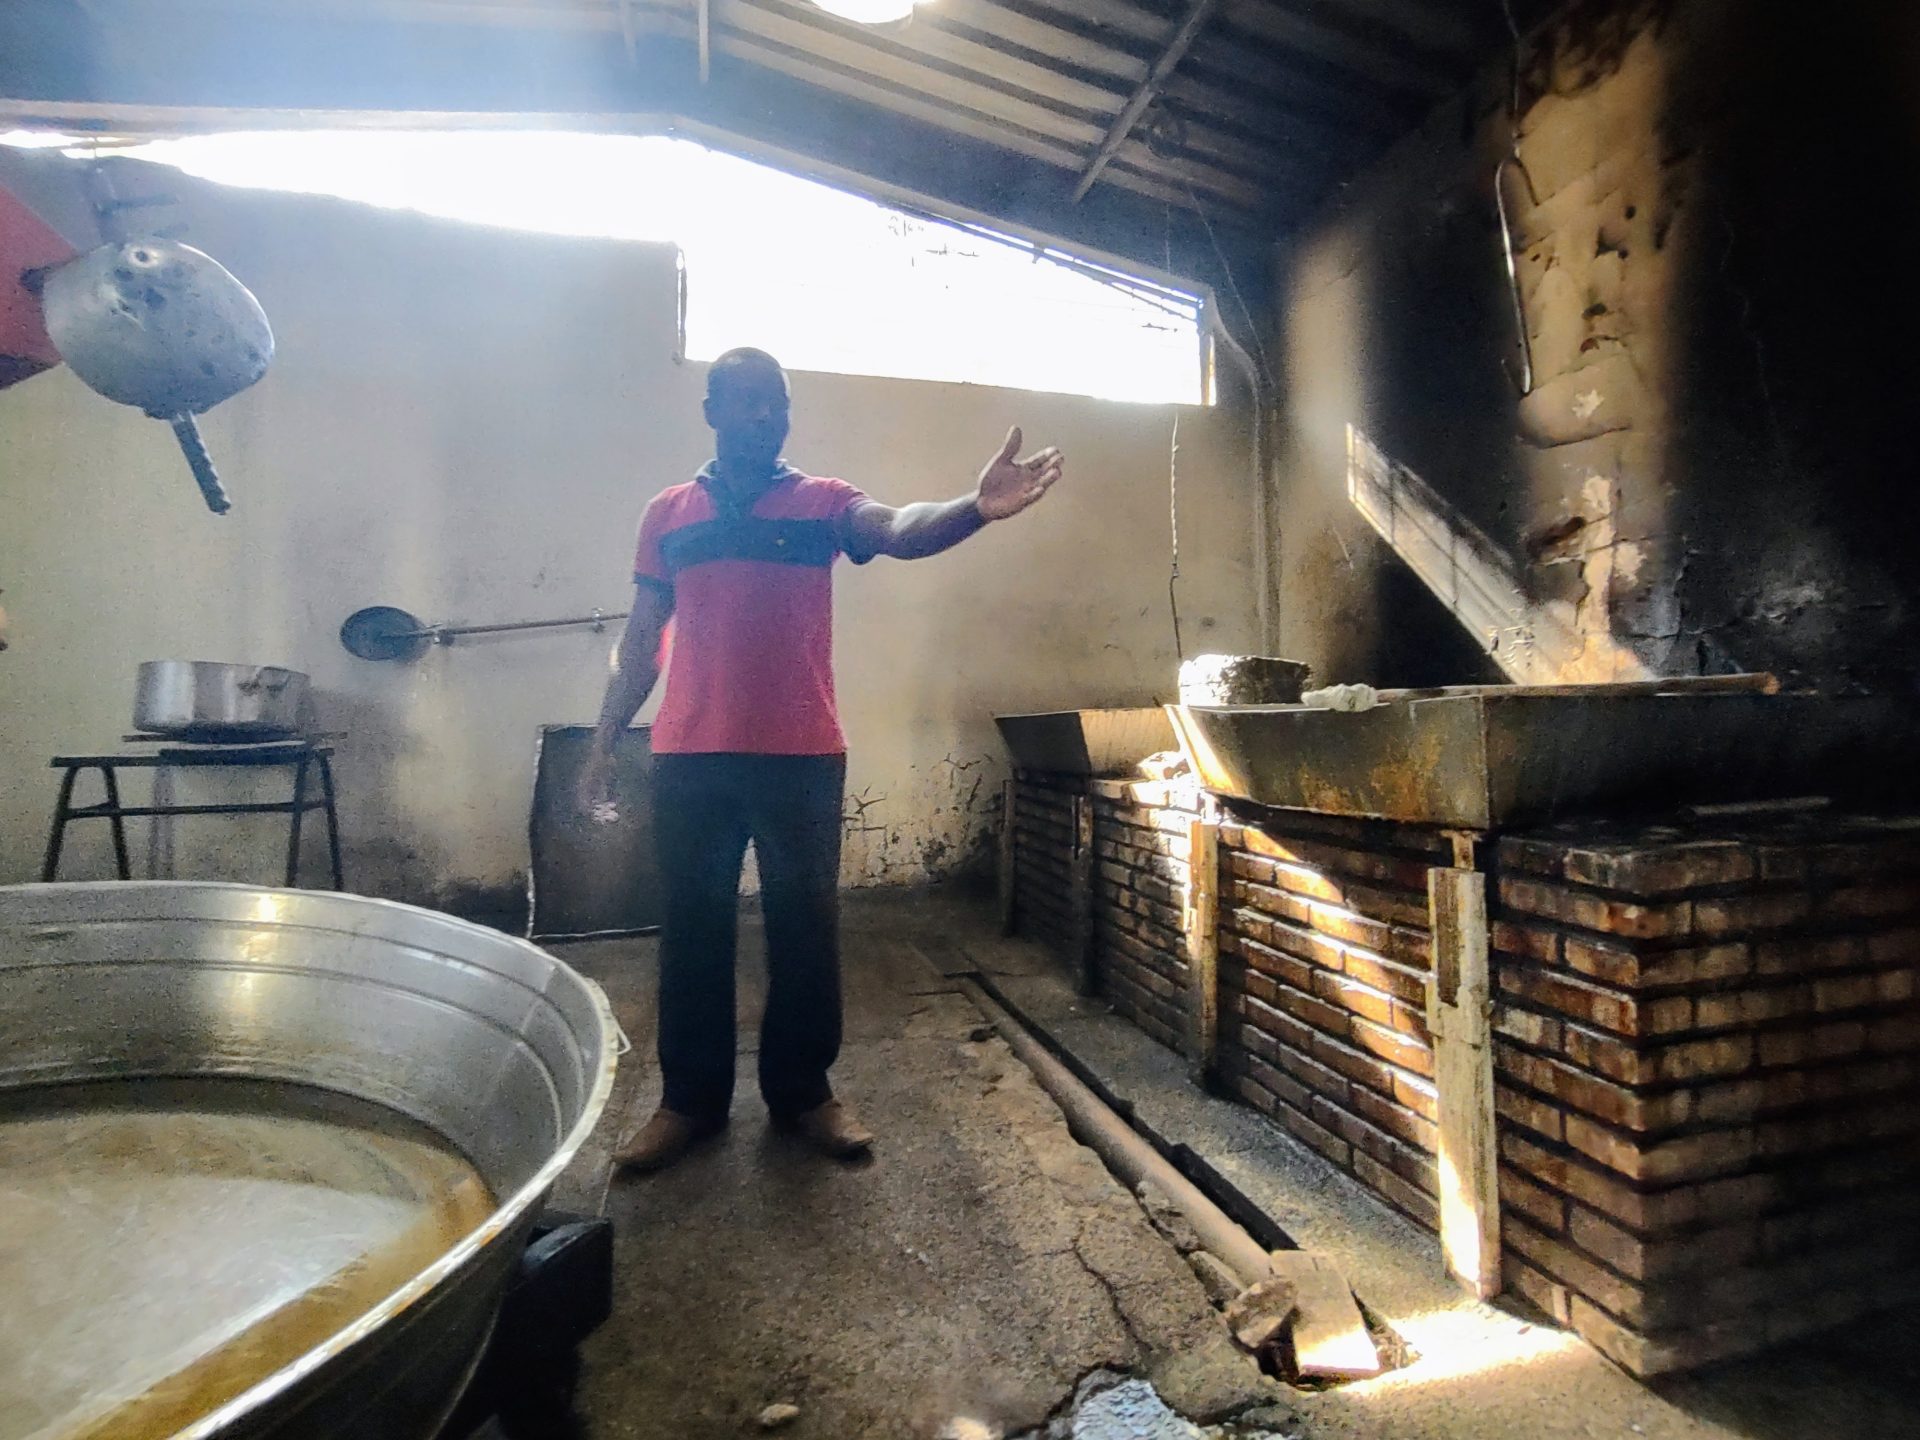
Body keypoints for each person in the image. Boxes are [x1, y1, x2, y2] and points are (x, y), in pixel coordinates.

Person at [578, 347, 1065, 1173]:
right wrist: (601, 743)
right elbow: (641, 640)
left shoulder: (823, 502)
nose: (767, 416)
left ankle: (804, 1093)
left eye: (779, 402)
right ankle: (688, 1103)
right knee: (692, 931)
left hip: (800, 756)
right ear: (712, 411)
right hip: (691, 757)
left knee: (804, 929)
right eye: (749, 401)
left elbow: (899, 529)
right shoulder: (669, 514)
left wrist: (975, 508)